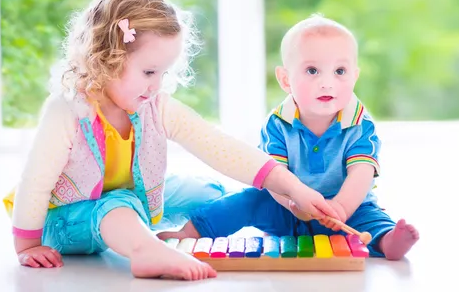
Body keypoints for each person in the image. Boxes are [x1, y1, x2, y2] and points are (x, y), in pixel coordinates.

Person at [3, 0, 341, 281]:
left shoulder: (153, 105)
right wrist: (27, 245)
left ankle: (155, 231)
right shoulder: (67, 111)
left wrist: (289, 186)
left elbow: (217, 145)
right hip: (64, 220)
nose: (156, 85)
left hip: (131, 203)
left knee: (208, 194)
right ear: (108, 58)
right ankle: (144, 250)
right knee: (117, 203)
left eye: (163, 74)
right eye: (149, 72)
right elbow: (35, 182)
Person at [158, 14, 420, 260]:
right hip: (287, 210)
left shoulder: (360, 125)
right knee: (247, 200)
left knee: (372, 218)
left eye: (339, 71)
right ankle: (190, 233)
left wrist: (340, 207)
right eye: (312, 71)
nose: (327, 83)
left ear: (354, 75)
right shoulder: (277, 124)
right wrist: (293, 204)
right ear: (285, 79)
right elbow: (274, 175)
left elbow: (361, 173)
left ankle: (388, 241)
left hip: (347, 213)